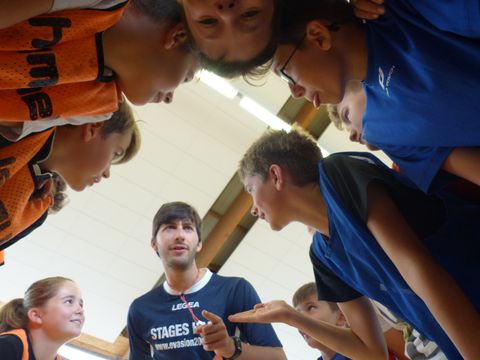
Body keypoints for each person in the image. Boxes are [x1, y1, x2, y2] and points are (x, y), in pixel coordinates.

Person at [229, 127, 480, 359]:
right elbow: (371, 352)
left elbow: (416, 267)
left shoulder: (337, 173)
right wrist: (291, 317)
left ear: (275, 175)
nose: (252, 210)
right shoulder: (321, 255)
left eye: (250, 189)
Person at [127, 201, 286, 359]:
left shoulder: (235, 290)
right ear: (154, 244)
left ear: (199, 244)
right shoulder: (140, 309)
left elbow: (279, 358)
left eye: (188, 228)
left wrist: (230, 347)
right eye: (170, 228)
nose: (180, 235)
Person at [0, 0, 199, 122]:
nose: (169, 98)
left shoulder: (97, 104)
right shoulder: (103, 4)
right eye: (185, 78)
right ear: (177, 36)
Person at [0, 101, 141, 265]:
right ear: (93, 127)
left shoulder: (36, 210)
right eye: (115, 153)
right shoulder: (12, 124)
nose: (107, 173)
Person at [0, 276, 85, 359]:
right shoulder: (6, 347)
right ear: (36, 315)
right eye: (69, 301)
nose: (80, 310)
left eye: (81, 304)